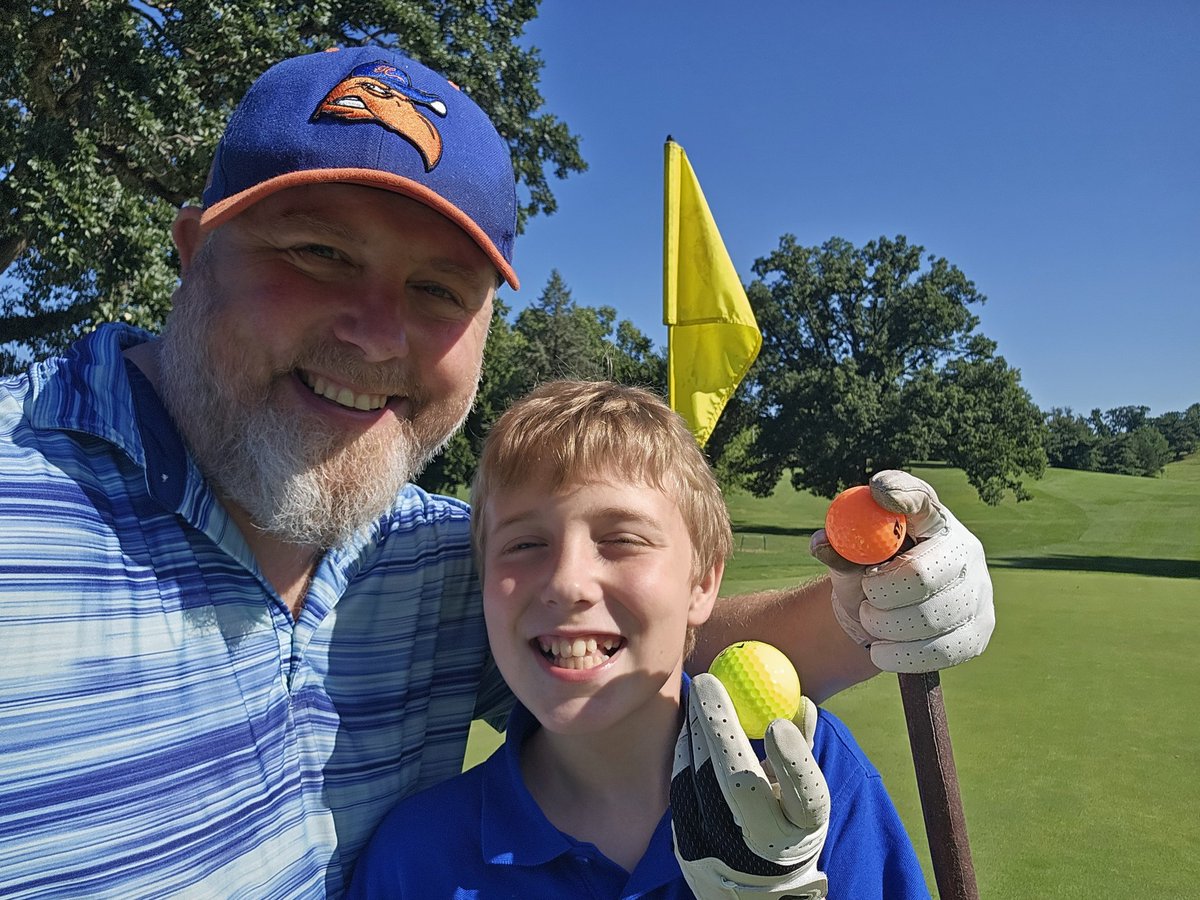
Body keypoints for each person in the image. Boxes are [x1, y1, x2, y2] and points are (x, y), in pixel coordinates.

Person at [0, 45, 991, 898]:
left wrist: (872, 610)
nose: (376, 332)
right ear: (192, 250)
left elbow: (631, 647)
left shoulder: (434, 561)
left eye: (438, 289)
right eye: (319, 253)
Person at [345, 380, 931, 899]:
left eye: (622, 539)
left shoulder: (810, 774)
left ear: (702, 582)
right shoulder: (414, 858)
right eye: (524, 544)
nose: (567, 582)